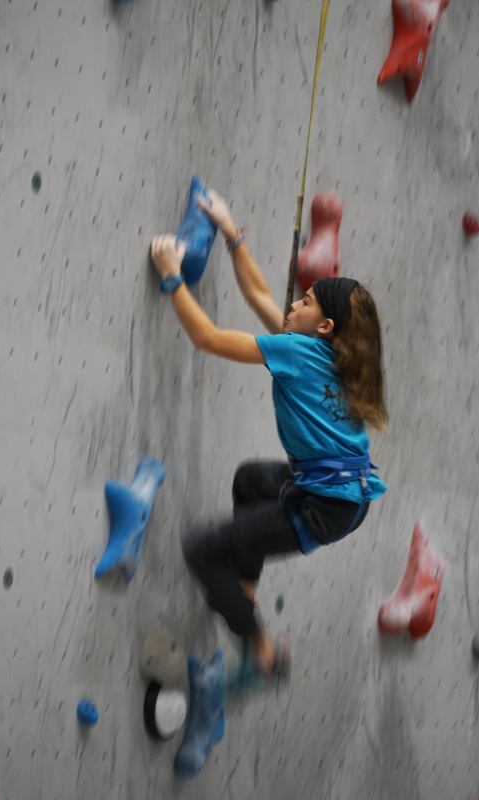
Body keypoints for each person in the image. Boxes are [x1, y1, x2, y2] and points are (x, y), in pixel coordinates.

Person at [150, 189, 388, 676]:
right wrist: (231, 233)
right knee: (250, 480)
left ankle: (261, 647)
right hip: (344, 495)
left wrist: (171, 274)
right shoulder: (331, 353)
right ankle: (245, 589)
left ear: (324, 325)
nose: (292, 304)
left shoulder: (297, 352)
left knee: (201, 551)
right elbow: (259, 295)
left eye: (305, 301)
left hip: (325, 506)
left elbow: (207, 338)